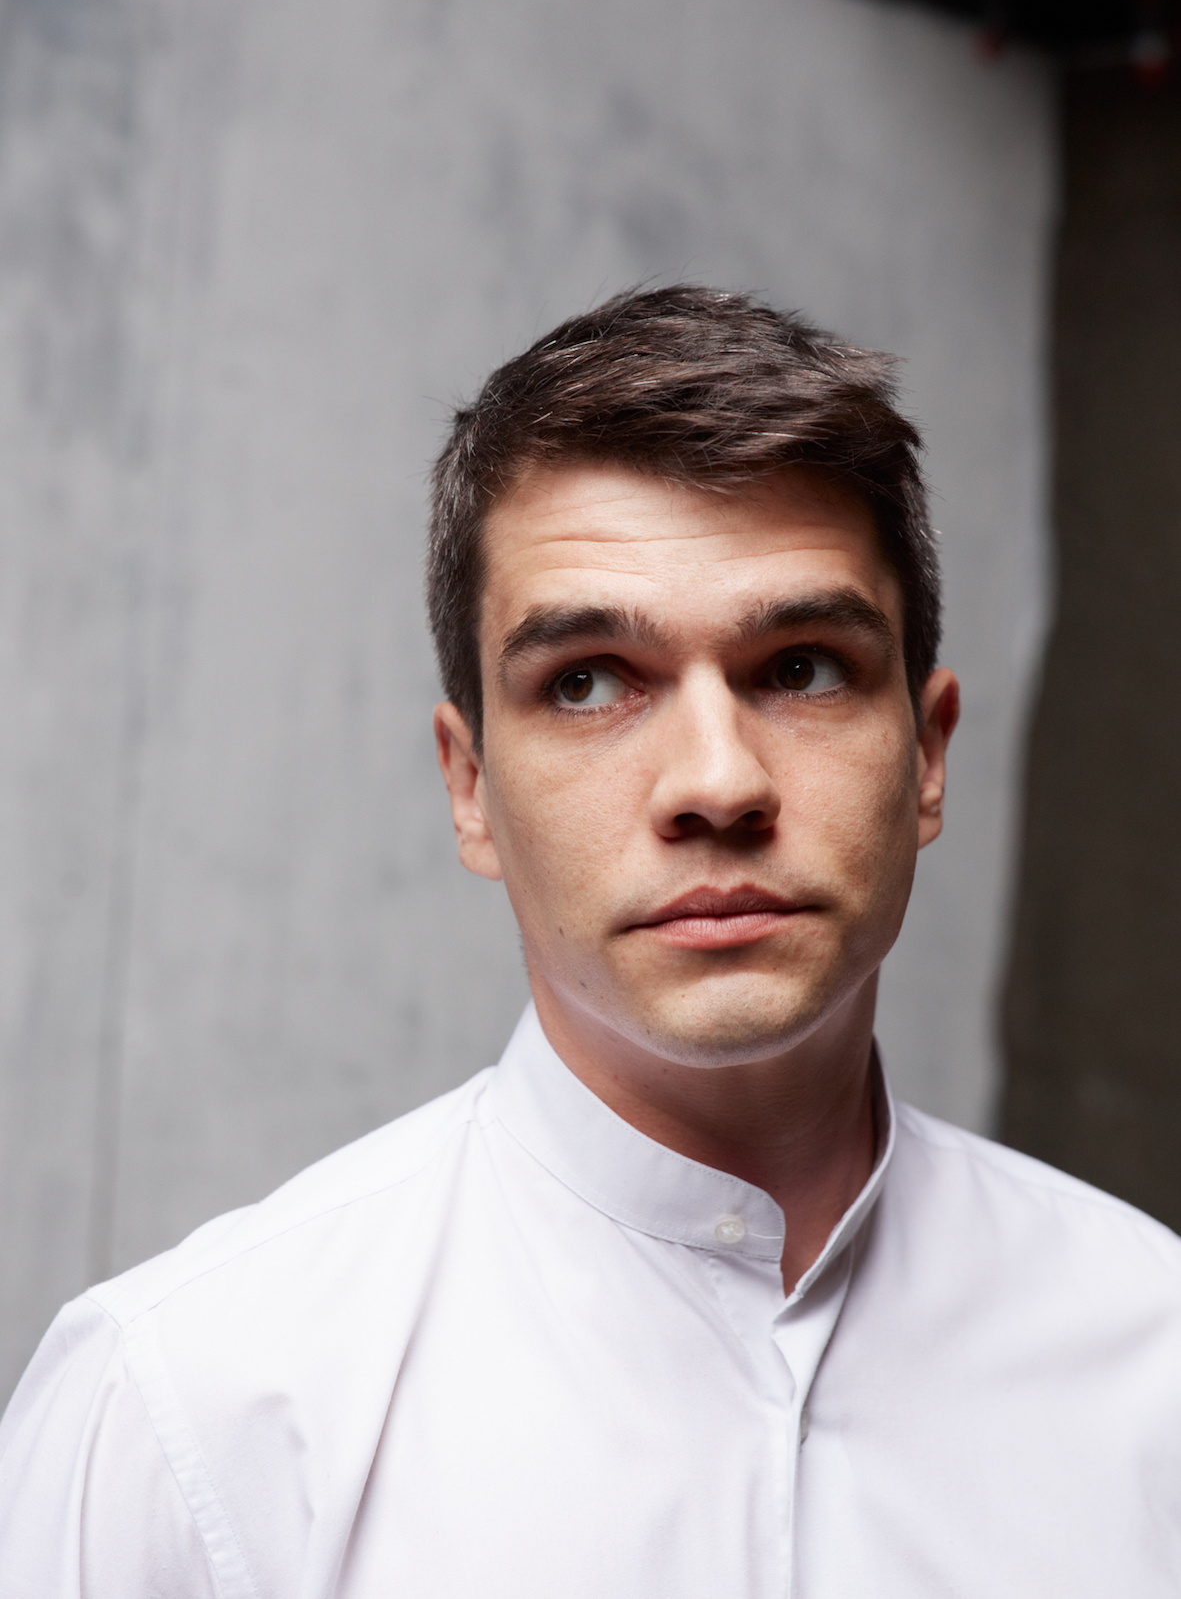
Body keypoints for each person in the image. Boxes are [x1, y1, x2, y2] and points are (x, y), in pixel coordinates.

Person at [0, 286, 1178, 1597]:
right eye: (587, 682)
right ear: (470, 788)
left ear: (928, 755)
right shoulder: (186, 1414)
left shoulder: (1157, 1359)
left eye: (800, 666)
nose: (717, 783)